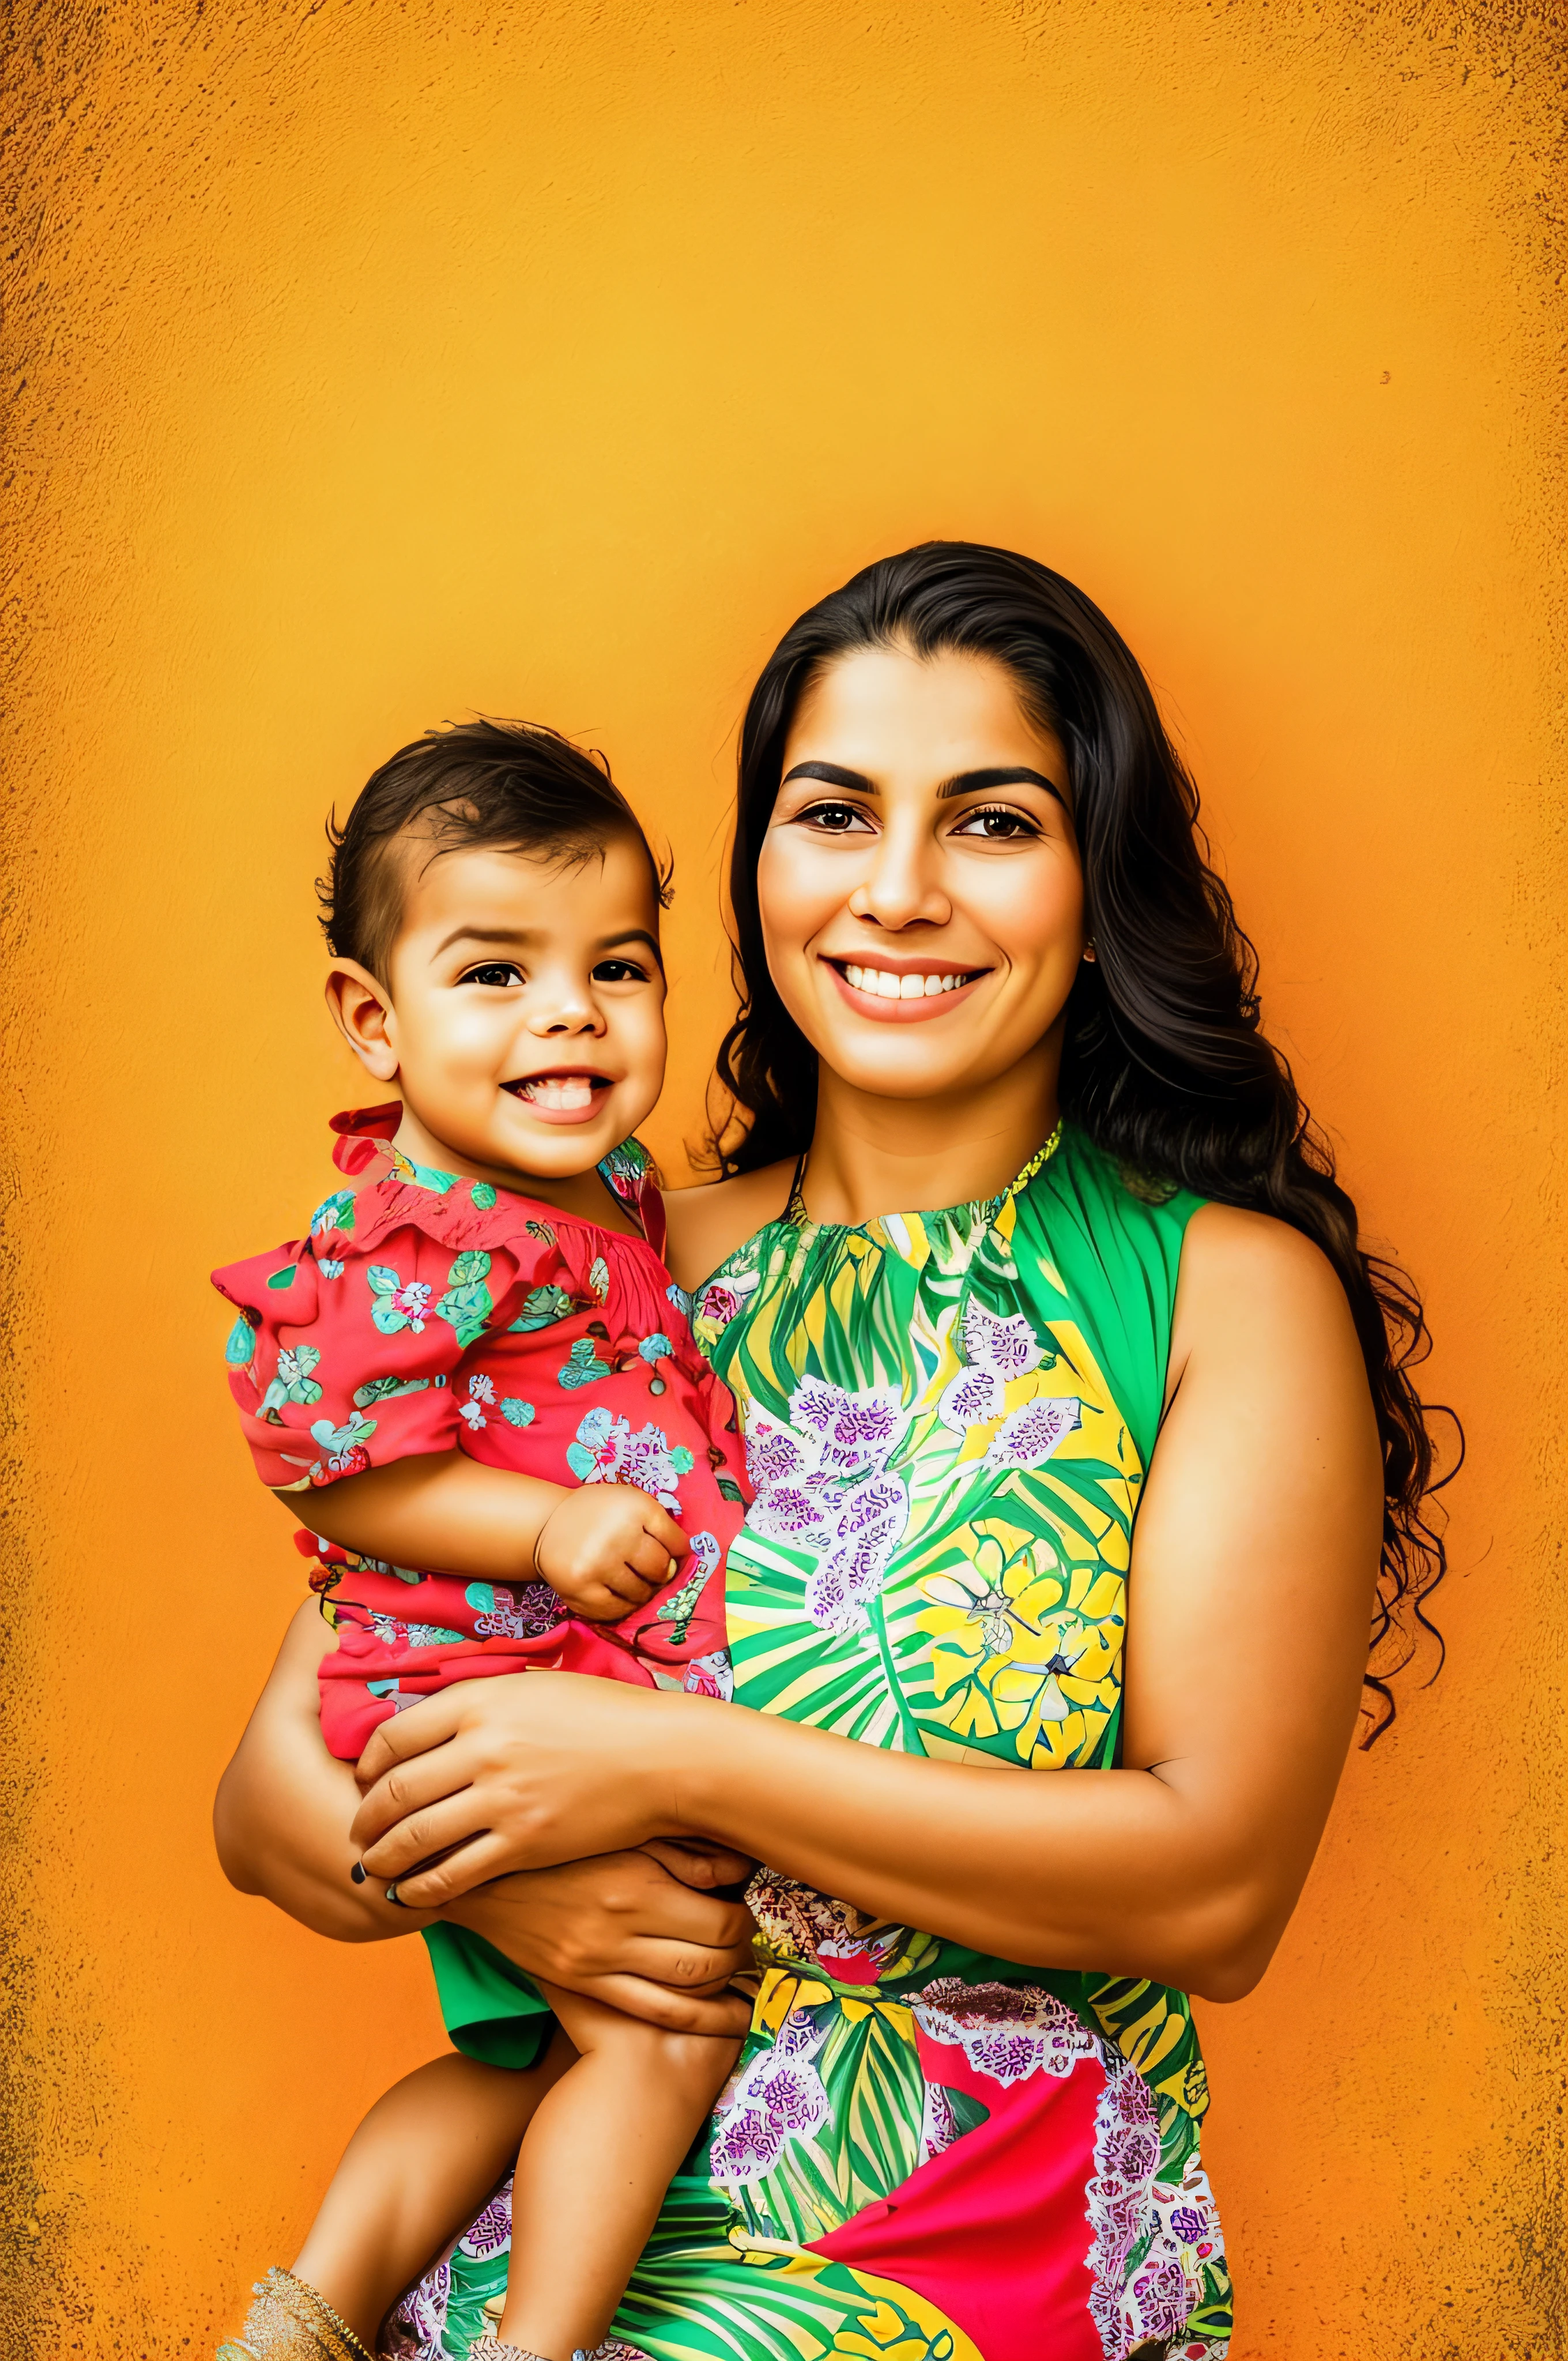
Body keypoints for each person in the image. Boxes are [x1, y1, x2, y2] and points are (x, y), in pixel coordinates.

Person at [216, 543, 1448, 2361]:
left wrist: (657, 1760)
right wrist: (543, 1908)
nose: (900, 892)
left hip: (969, 2287)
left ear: (1099, 887)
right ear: (756, 870)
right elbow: (268, 1807)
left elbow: (1215, 1890)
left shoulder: (1214, 1299)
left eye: (994, 823)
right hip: (522, 2304)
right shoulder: (605, 1263)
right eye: (833, 812)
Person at [210, 719, 756, 2361]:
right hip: (485, 1683)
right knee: (658, 2042)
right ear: (375, 1022)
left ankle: (311, 2315)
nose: (570, 1013)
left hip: (545, 1673)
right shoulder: (414, 1231)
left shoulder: (611, 1191)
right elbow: (321, 1462)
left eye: (619, 966)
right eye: (497, 974)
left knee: (520, 2059)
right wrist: (543, 1522)